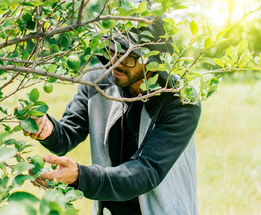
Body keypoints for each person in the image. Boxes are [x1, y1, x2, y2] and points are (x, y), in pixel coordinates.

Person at [24, 18, 201, 215]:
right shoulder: (96, 82)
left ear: (153, 60)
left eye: (128, 56)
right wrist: (47, 129)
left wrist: (80, 177)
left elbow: (147, 171)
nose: (115, 61)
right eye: (112, 50)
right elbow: (67, 134)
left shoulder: (181, 100)